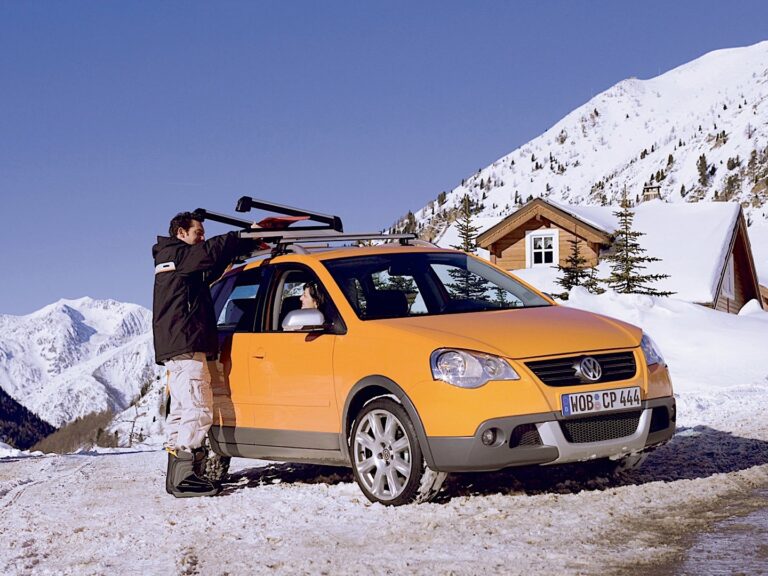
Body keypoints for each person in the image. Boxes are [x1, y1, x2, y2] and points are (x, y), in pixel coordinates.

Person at [152, 211, 253, 497]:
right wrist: (241, 236)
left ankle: (177, 477)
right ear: (181, 232)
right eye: (198, 233)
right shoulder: (176, 255)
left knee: (182, 412)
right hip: (186, 346)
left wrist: (239, 249)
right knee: (198, 409)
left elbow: (211, 265)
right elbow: (209, 252)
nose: (202, 238)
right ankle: (186, 477)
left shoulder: (177, 260)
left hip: (179, 348)